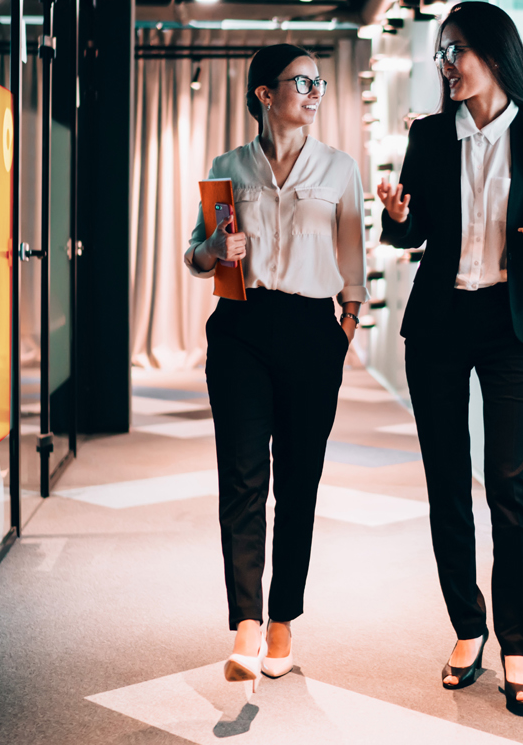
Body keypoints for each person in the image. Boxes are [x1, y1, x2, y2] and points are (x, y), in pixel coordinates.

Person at [376, 1, 523, 716]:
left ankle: (515, 642)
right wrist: (397, 217)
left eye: (455, 50)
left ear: (494, 52)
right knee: (443, 485)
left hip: (510, 322)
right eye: (440, 54)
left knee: (510, 487)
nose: (447, 65)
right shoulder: (429, 136)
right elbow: (410, 233)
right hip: (438, 321)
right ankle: (467, 628)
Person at [185, 43, 366, 690]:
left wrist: (344, 328)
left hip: (314, 330)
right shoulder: (228, 167)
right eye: (301, 81)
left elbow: (354, 260)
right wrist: (213, 245)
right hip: (241, 328)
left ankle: (283, 617)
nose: (315, 92)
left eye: (320, 82)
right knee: (240, 476)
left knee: (298, 482)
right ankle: (245, 624)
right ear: (265, 93)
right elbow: (196, 257)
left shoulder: (340, 168)